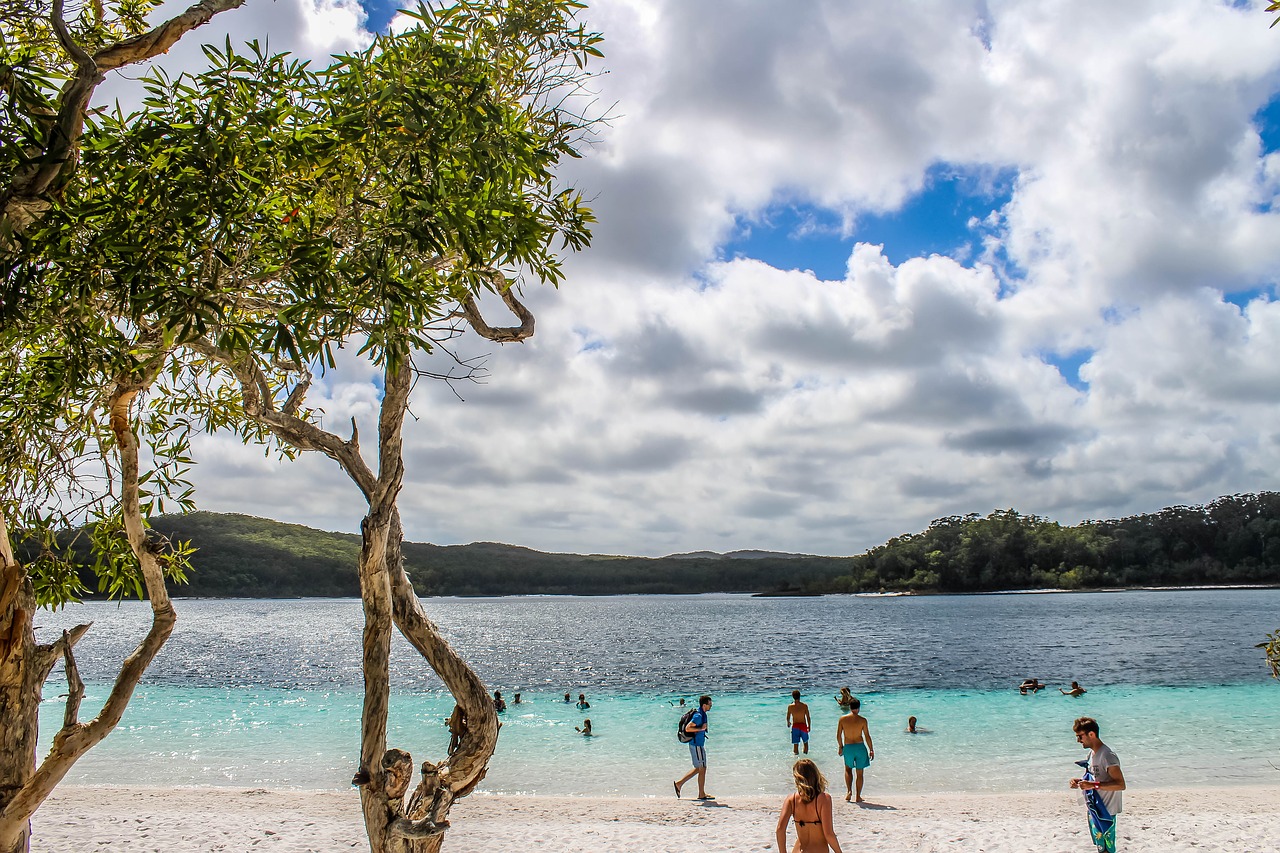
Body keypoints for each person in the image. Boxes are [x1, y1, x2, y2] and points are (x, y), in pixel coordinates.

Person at [1069, 717, 1125, 853]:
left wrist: (1093, 785)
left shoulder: (1107, 755)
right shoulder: (1092, 754)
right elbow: (1094, 777)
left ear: (1091, 734)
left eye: (1080, 736)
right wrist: (1080, 782)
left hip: (1107, 810)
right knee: (1100, 848)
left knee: (1107, 849)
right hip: (1095, 808)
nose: (1078, 740)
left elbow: (1120, 784)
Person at [775, 758, 845, 853]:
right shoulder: (824, 799)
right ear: (816, 775)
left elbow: (780, 830)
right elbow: (828, 834)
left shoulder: (791, 799)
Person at [673, 695, 713, 800]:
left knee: (699, 768)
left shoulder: (702, 714)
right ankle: (701, 794)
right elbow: (688, 728)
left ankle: (679, 784)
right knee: (702, 768)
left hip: (697, 745)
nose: (711, 705)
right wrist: (701, 728)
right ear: (704, 705)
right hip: (696, 745)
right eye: (710, 704)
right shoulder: (698, 716)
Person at [836, 697, 873, 802]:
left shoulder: (842, 719)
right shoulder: (863, 720)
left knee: (848, 770)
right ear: (859, 708)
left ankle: (849, 791)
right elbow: (867, 736)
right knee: (860, 773)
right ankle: (858, 796)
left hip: (848, 747)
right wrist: (871, 749)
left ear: (849, 707)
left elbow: (838, 735)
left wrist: (840, 746)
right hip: (860, 747)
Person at [786, 690, 811, 755]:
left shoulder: (790, 706)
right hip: (803, 726)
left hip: (795, 726)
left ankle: (796, 759)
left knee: (795, 745)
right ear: (800, 696)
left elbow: (788, 717)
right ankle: (805, 758)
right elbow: (808, 717)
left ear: (793, 697)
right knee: (805, 743)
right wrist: (809, 726)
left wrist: (788, 723)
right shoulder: (804, 706)